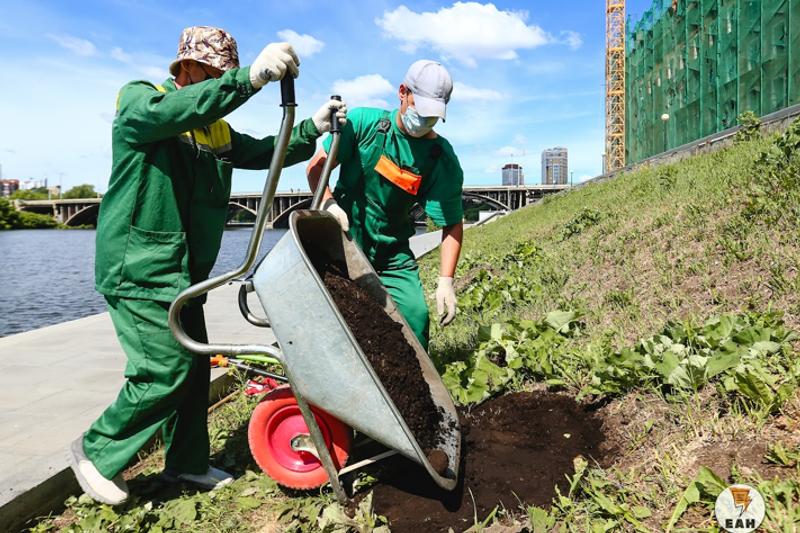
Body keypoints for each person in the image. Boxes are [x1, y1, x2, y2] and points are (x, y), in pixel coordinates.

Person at [68, 26, 347, 505]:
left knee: (194, 369)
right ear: (188, 67)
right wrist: (248, 80)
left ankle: (187, 462)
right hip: (139, 267)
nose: (219, 81)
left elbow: (265, 151)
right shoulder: (141, 101)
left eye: (224, 74)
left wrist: (311, 129)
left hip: (185, 273)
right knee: (165, 369)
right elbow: (180, 109)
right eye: (214, 73)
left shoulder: (215, 129)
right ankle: (98, 450)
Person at [306, 60, 463, 350]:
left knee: (415, 318)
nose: (425, 120)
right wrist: (328, 203)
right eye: (420, 109)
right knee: (333, 320)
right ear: (403, 92)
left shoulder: (440, 158)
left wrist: (446, 280)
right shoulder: (363, 124)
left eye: (433, 116)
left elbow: (451, 222)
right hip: (342, 243)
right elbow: (316, 169)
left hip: (392, 254)